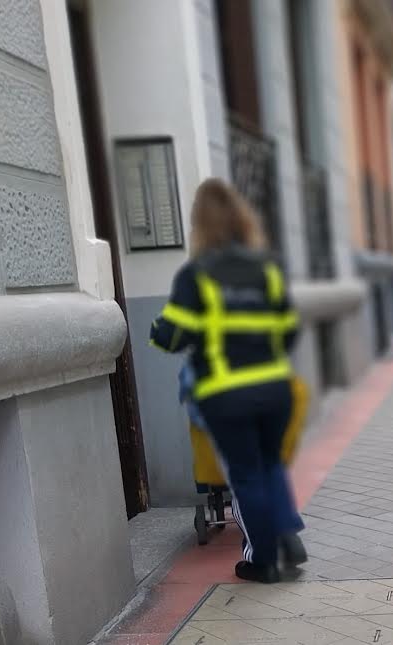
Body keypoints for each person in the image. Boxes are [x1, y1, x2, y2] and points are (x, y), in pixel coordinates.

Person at [150, 178, 305, 583]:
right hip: (275, 389)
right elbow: (289, 331)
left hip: (227, 393)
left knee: (246, 475)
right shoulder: (268, 268)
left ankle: (264, 561)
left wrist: (157, 331)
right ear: (241, 218)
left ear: (200, 224)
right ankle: (287, 537)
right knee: (270, 464)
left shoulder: (197, 275)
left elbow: (173, 335)